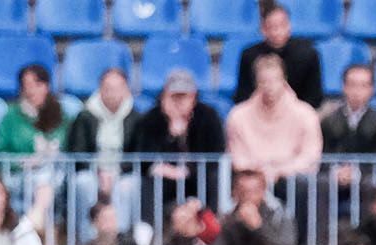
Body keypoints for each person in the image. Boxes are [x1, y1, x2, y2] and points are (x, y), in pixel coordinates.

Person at [127, 70, 226, 220]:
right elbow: (143, 156)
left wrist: (188, 170)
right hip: (163, 178)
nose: (179, 102)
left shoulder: (208, 116)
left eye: (183, 96)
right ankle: (149, 231)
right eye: (174, 96)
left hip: (198, 176)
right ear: (164, 96)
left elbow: (215, 151)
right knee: (150, 183)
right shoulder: (151, 119)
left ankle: (210, 225)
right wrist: (170, 136)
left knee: (211, 179)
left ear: (193, 97)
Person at [227, 54, 323, 199]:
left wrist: (281, 171)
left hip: (292, 179)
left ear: (284, 80)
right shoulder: (238, 115)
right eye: (264, 81)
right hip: (250, 178)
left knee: (303, 185)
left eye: (274, 80)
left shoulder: (306, 114)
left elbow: (310, 157)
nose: (269, 86)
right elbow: (237, 156)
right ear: (256, 83)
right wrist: (260, 172)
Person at [232, 2, 322, 108]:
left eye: (282, 25)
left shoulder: (308, 55)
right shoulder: (249, 56)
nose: (277, 31)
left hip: (298, 115)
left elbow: (314, 97)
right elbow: (242, 96)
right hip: (258, 115)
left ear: (289, 26)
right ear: (262, 29)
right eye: (271, 27)